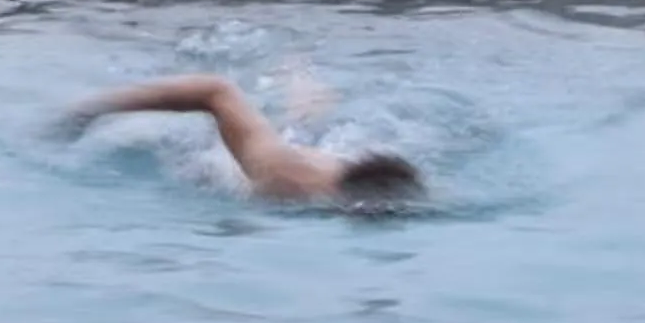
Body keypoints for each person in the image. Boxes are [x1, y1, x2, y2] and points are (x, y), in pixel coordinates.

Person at [64, 74, 423, 204]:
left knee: (301, 119)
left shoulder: (321, 182)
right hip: (246, 162)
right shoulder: (282, 172)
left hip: (298, 159)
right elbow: (215, 91)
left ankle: (301, 83)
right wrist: (95, 109)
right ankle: (295, 75)